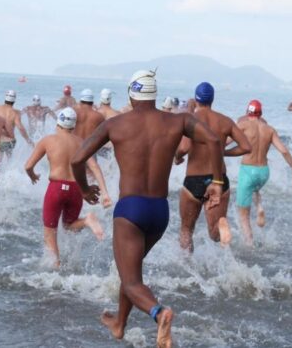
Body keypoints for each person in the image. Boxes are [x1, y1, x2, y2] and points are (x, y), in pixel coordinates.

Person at [70, 70, 224, 348]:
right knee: (132, 274)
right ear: (154, 93)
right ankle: (120, 324)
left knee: (131, 281)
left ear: (131, 92)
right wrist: (216, 182)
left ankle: (159, 313)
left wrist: (83, 189)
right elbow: (213, 141)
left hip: (130, 210)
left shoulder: (114, 125)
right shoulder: (179, 121)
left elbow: (77, 158)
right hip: (159, 212)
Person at [24, 107, 105, 268]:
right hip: (77, 189)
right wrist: (103, 190)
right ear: (73, 126)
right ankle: (87, 220)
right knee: (69, 225)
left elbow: (28, 166)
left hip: (56, 189)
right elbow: (94, 166)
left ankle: (56, 265)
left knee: (49, 231)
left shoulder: (48, 140)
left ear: (58, 123)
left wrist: (33, 175)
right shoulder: (81, 142)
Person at [174, 82, 251, 250]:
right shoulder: (225, 121)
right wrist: (223, 152)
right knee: (214, 234)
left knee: (186, 230)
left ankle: (187, 268)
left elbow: (184, 147)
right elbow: (246, 147)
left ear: (196, 99)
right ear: (212, 99)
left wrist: (177, 157)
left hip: (194, 180)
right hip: (219, 180)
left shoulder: (191, 120)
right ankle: (221, 224)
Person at [235, 100, 292, 246]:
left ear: (248, 112)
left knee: (244, 217)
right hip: (264, 173)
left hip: (247, 170)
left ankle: (249, 245)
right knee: (255, 188)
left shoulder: (243, 125)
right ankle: (259, 206)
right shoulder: (269, 129)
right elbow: (284, 150)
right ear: (261, 114)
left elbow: (224, 142)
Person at [73, 89, 112, 207]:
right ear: (92, 102)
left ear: (81, 100)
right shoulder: (98, 116)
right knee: (91, 175)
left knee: (74, 175)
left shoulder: (73, 112)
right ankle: (97, 201)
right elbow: (103, 135)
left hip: (74, 149)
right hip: (89, 150)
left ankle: (75, 198)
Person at [0, 90, 33, 158]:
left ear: (5, 98)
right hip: (9, 141)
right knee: (9, 162)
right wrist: (28, 140)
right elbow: (20, 128)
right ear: (14, 100)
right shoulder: (16, 113)